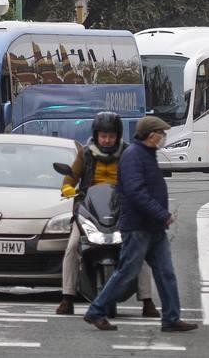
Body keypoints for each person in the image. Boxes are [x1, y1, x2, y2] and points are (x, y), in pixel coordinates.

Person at [84, 115, 197, 334]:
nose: (163, 137)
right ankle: (97, 310)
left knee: (166, 273)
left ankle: (172, 317)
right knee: (126, 272)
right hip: (138, 227)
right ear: (150, 134)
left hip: (153, 228)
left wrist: (159, 217)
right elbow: (136, 192)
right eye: (160, 133)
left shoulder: (147, 154)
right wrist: (161, 213)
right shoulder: (133, 156)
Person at [56, 111, 157, 318]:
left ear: (118, 136)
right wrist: (67, 188)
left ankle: (147, 301)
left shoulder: (130, 153)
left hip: (124, 210)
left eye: (111, 136)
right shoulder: (85, 154)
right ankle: (67, 298)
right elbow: (70, 178)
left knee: (141, 250)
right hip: (89, 210)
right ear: (96, 135)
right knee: (72, 247)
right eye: (103, 136)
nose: (107, 140)